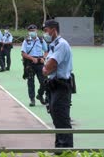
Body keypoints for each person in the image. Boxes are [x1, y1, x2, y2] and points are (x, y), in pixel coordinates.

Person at [42, 19, 74, 148]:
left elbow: (50, 66)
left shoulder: (61, 44)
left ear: (53, 30)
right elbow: (48, 66)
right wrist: (46, 67)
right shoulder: (53, 45)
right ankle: (59, 148)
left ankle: (66, 149)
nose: (45, 34)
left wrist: (45, 68)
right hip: (53, 86)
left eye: (46, 30)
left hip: (61, 86)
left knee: (62, 119)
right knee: (56, 119)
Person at [21, 24, 48, 107]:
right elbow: (23, 53)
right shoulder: (26, 41)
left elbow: (46, 51)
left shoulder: (41, 40)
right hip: (30, 63)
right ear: (29, 32)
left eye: (34, 30)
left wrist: (44, 57)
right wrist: (32, 58)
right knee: (30, 82)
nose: (33, 32)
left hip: (40, 62)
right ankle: (32, 99)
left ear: (37, 31)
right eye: (31, 31)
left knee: (44, 81)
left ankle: (40, 95)